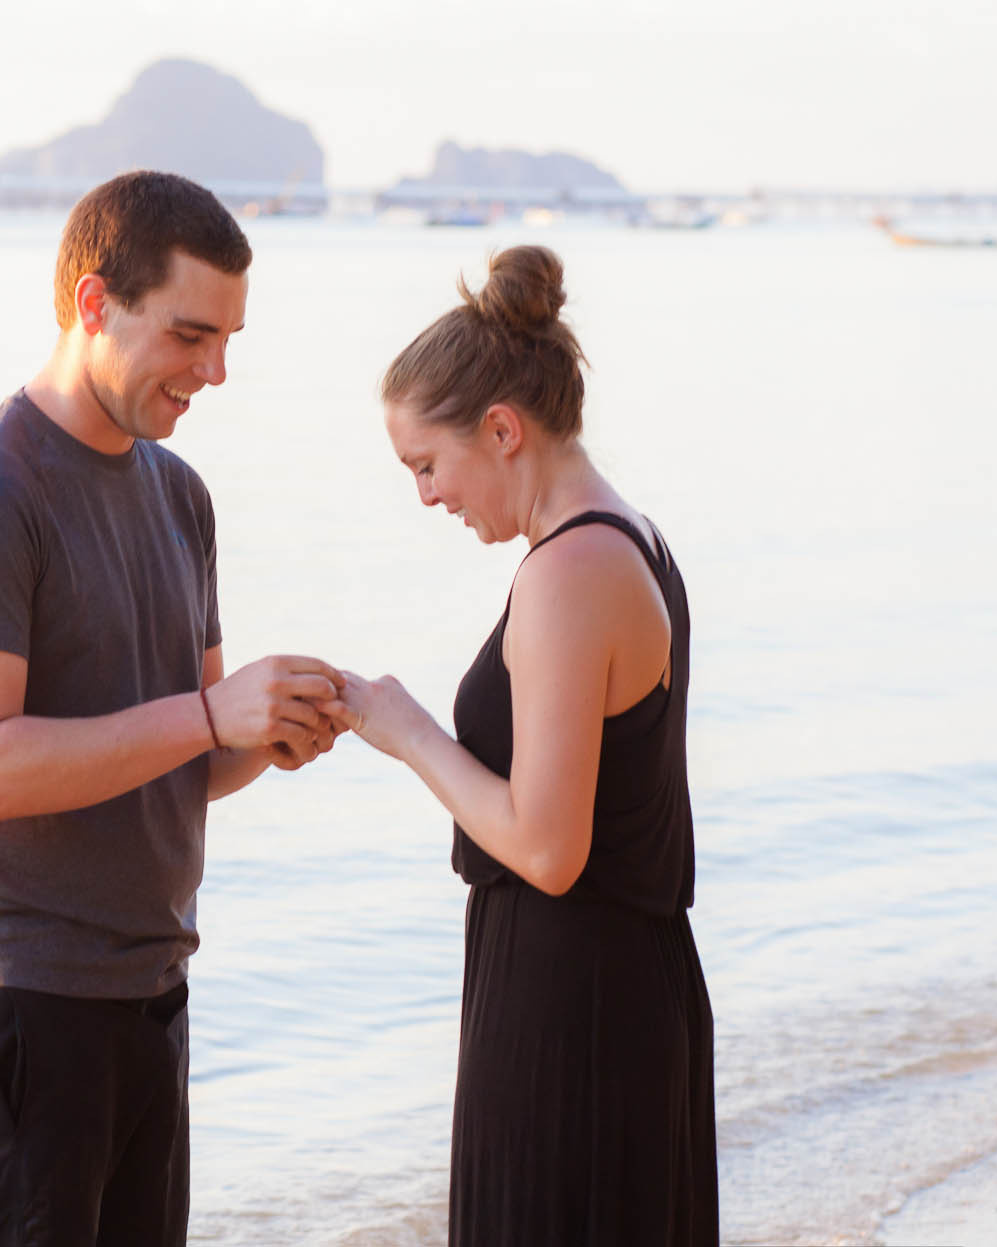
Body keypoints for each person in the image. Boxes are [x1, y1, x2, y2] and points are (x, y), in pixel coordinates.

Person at [0, 170, 344, 1246]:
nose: (215, 371)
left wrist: (269, 731)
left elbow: (191, 754)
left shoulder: (180, 495)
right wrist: (212, 715)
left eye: (227, 339)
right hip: (5, 1017)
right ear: (94, 304)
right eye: (190, 335)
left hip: (150, 1001)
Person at [320, 245, 719, 1244]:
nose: (426, 495)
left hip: (574, 1013)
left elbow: (548, 848)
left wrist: (407, 731)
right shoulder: (628, 537)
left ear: (502, 429)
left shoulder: (569, 571)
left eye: (426, 465)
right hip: (615, 990)